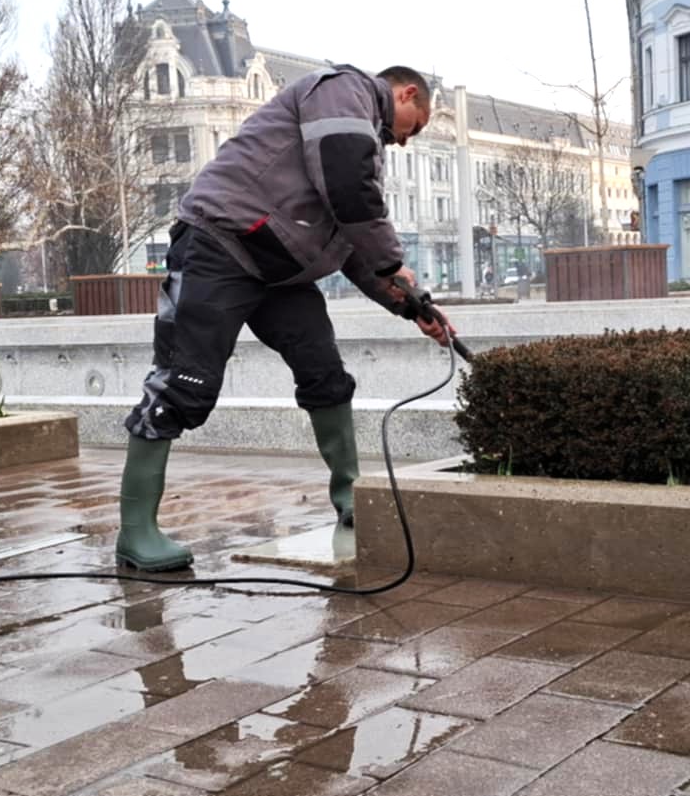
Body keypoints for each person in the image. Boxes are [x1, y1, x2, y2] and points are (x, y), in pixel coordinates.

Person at [115, 63, 455, 571]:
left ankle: (349, 501)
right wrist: (392, 262)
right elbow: (350, 192)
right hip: (219, 247)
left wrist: (412, 306)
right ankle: (135, 532)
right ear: (406, 93)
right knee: (182, 386)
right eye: (417, 125)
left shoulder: (361, 135)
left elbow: (353, 243)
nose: (407, 141)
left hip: (278, 272)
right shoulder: (345, 93)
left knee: (326, 376)